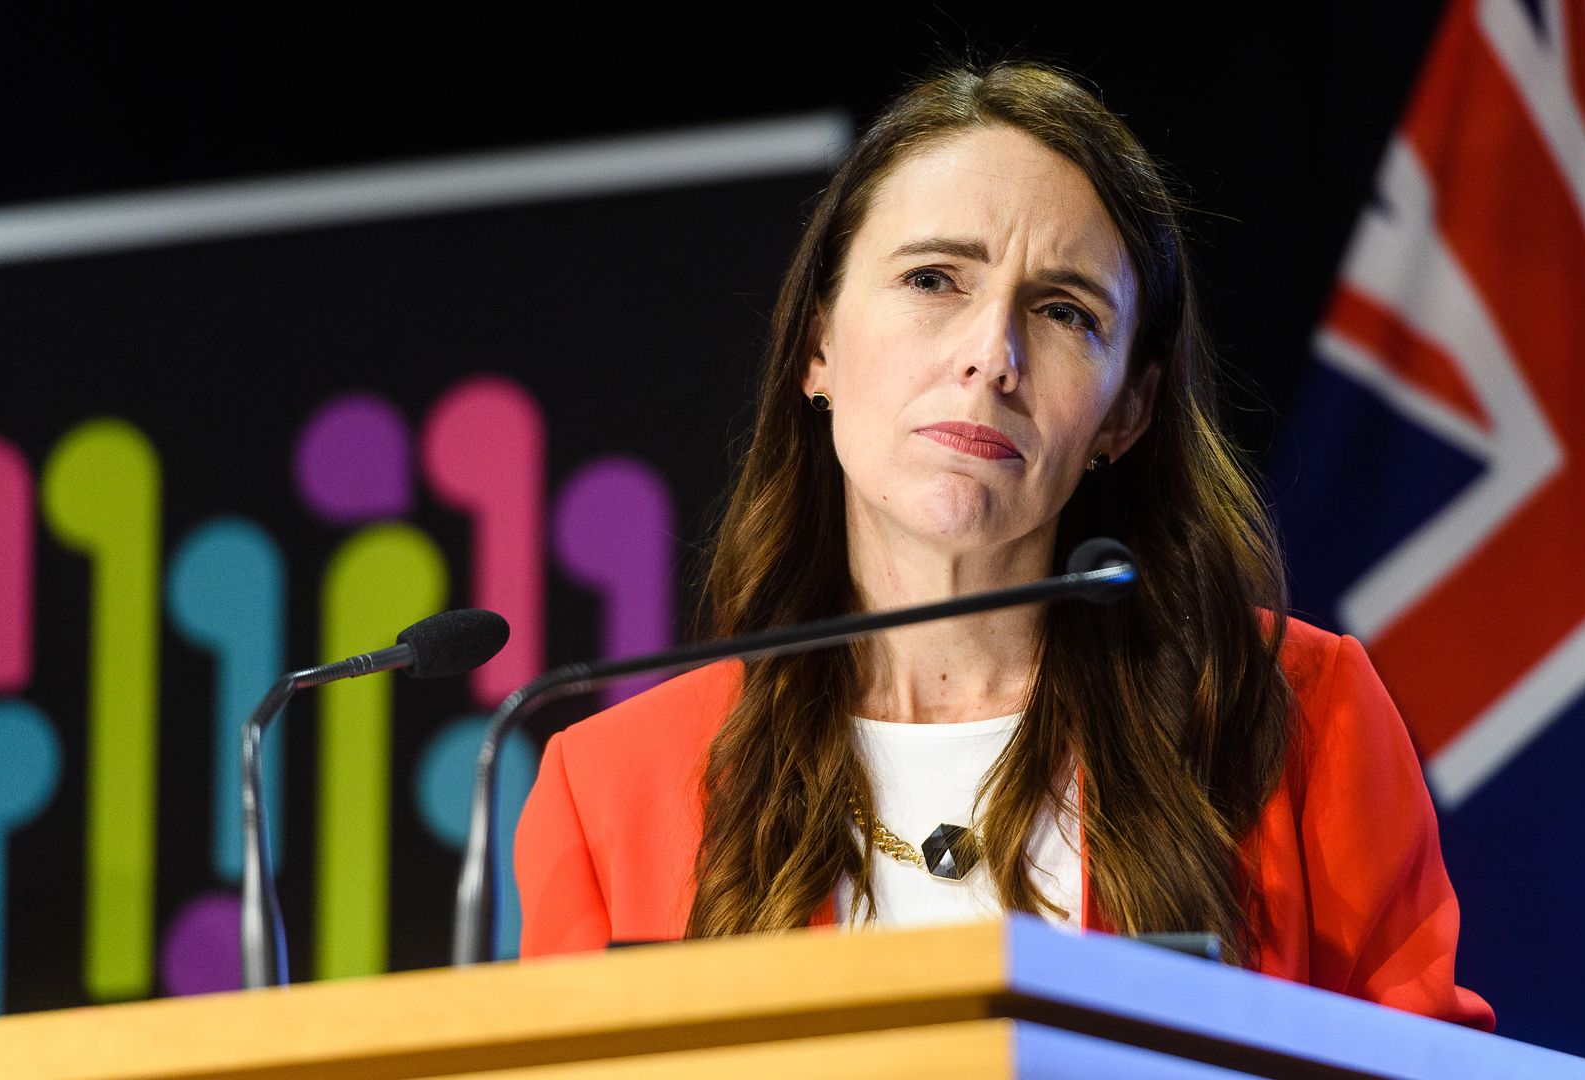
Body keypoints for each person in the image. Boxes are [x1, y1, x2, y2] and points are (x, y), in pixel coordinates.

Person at [514, 60, 1494, 1031]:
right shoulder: (608, 788)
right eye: (934, 279)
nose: (992, 354)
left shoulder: (1295, 717)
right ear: (818, 344)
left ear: (1128, 409)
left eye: (1065, 311)